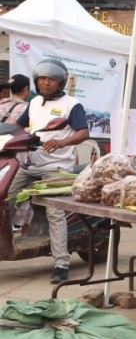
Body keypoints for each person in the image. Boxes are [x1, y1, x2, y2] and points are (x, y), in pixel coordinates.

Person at [12, 59, 90, 284]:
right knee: (2, 197)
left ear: (60, 82)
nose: (45, 83)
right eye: (41, 79)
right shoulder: (34, 102)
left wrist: (63, 141)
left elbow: (83, 133)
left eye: (51, 79)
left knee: (55, 213)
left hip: (56, 167)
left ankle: (61, 264)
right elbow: (18, 126)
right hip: (29, 164)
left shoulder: (71, 104)